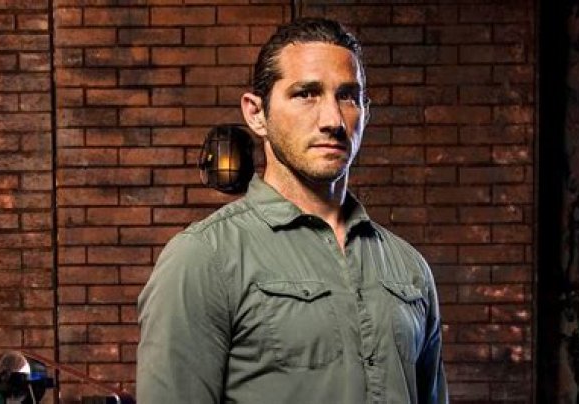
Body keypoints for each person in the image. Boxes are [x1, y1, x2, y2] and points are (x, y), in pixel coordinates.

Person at [137, 17, 448, 404]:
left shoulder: (410, 268)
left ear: (366, 112)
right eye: (306, 94)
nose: (333, 120)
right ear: (256, 113)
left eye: (348, 97)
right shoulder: (203, 258)